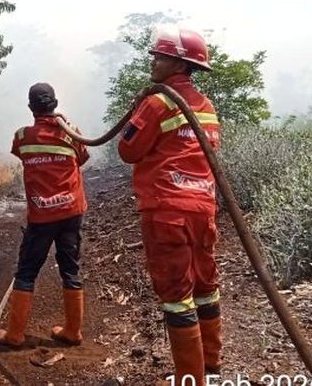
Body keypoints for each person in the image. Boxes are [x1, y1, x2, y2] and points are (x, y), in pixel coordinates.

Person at [117, 27, 224, 379]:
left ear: (179, 63)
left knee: (177, 296)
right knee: (205, 288)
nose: (153, 62)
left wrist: (137, 111)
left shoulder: (158, 103)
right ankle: (210, 366)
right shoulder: (206, 106)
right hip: (203, 211)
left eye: (160, 57)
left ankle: (189, 378)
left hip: (167, 211)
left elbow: (128, 150)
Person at [0, 82, 90, 347]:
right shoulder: (72, 133)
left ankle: (15, 335)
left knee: (27, 272)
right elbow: (82, 158)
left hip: (42, 217)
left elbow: (20, 153)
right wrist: (63, 125)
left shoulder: (22, 137)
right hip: (71, 213)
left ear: (30, 107)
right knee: (71, 269)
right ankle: (73, 331)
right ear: (55, 104)